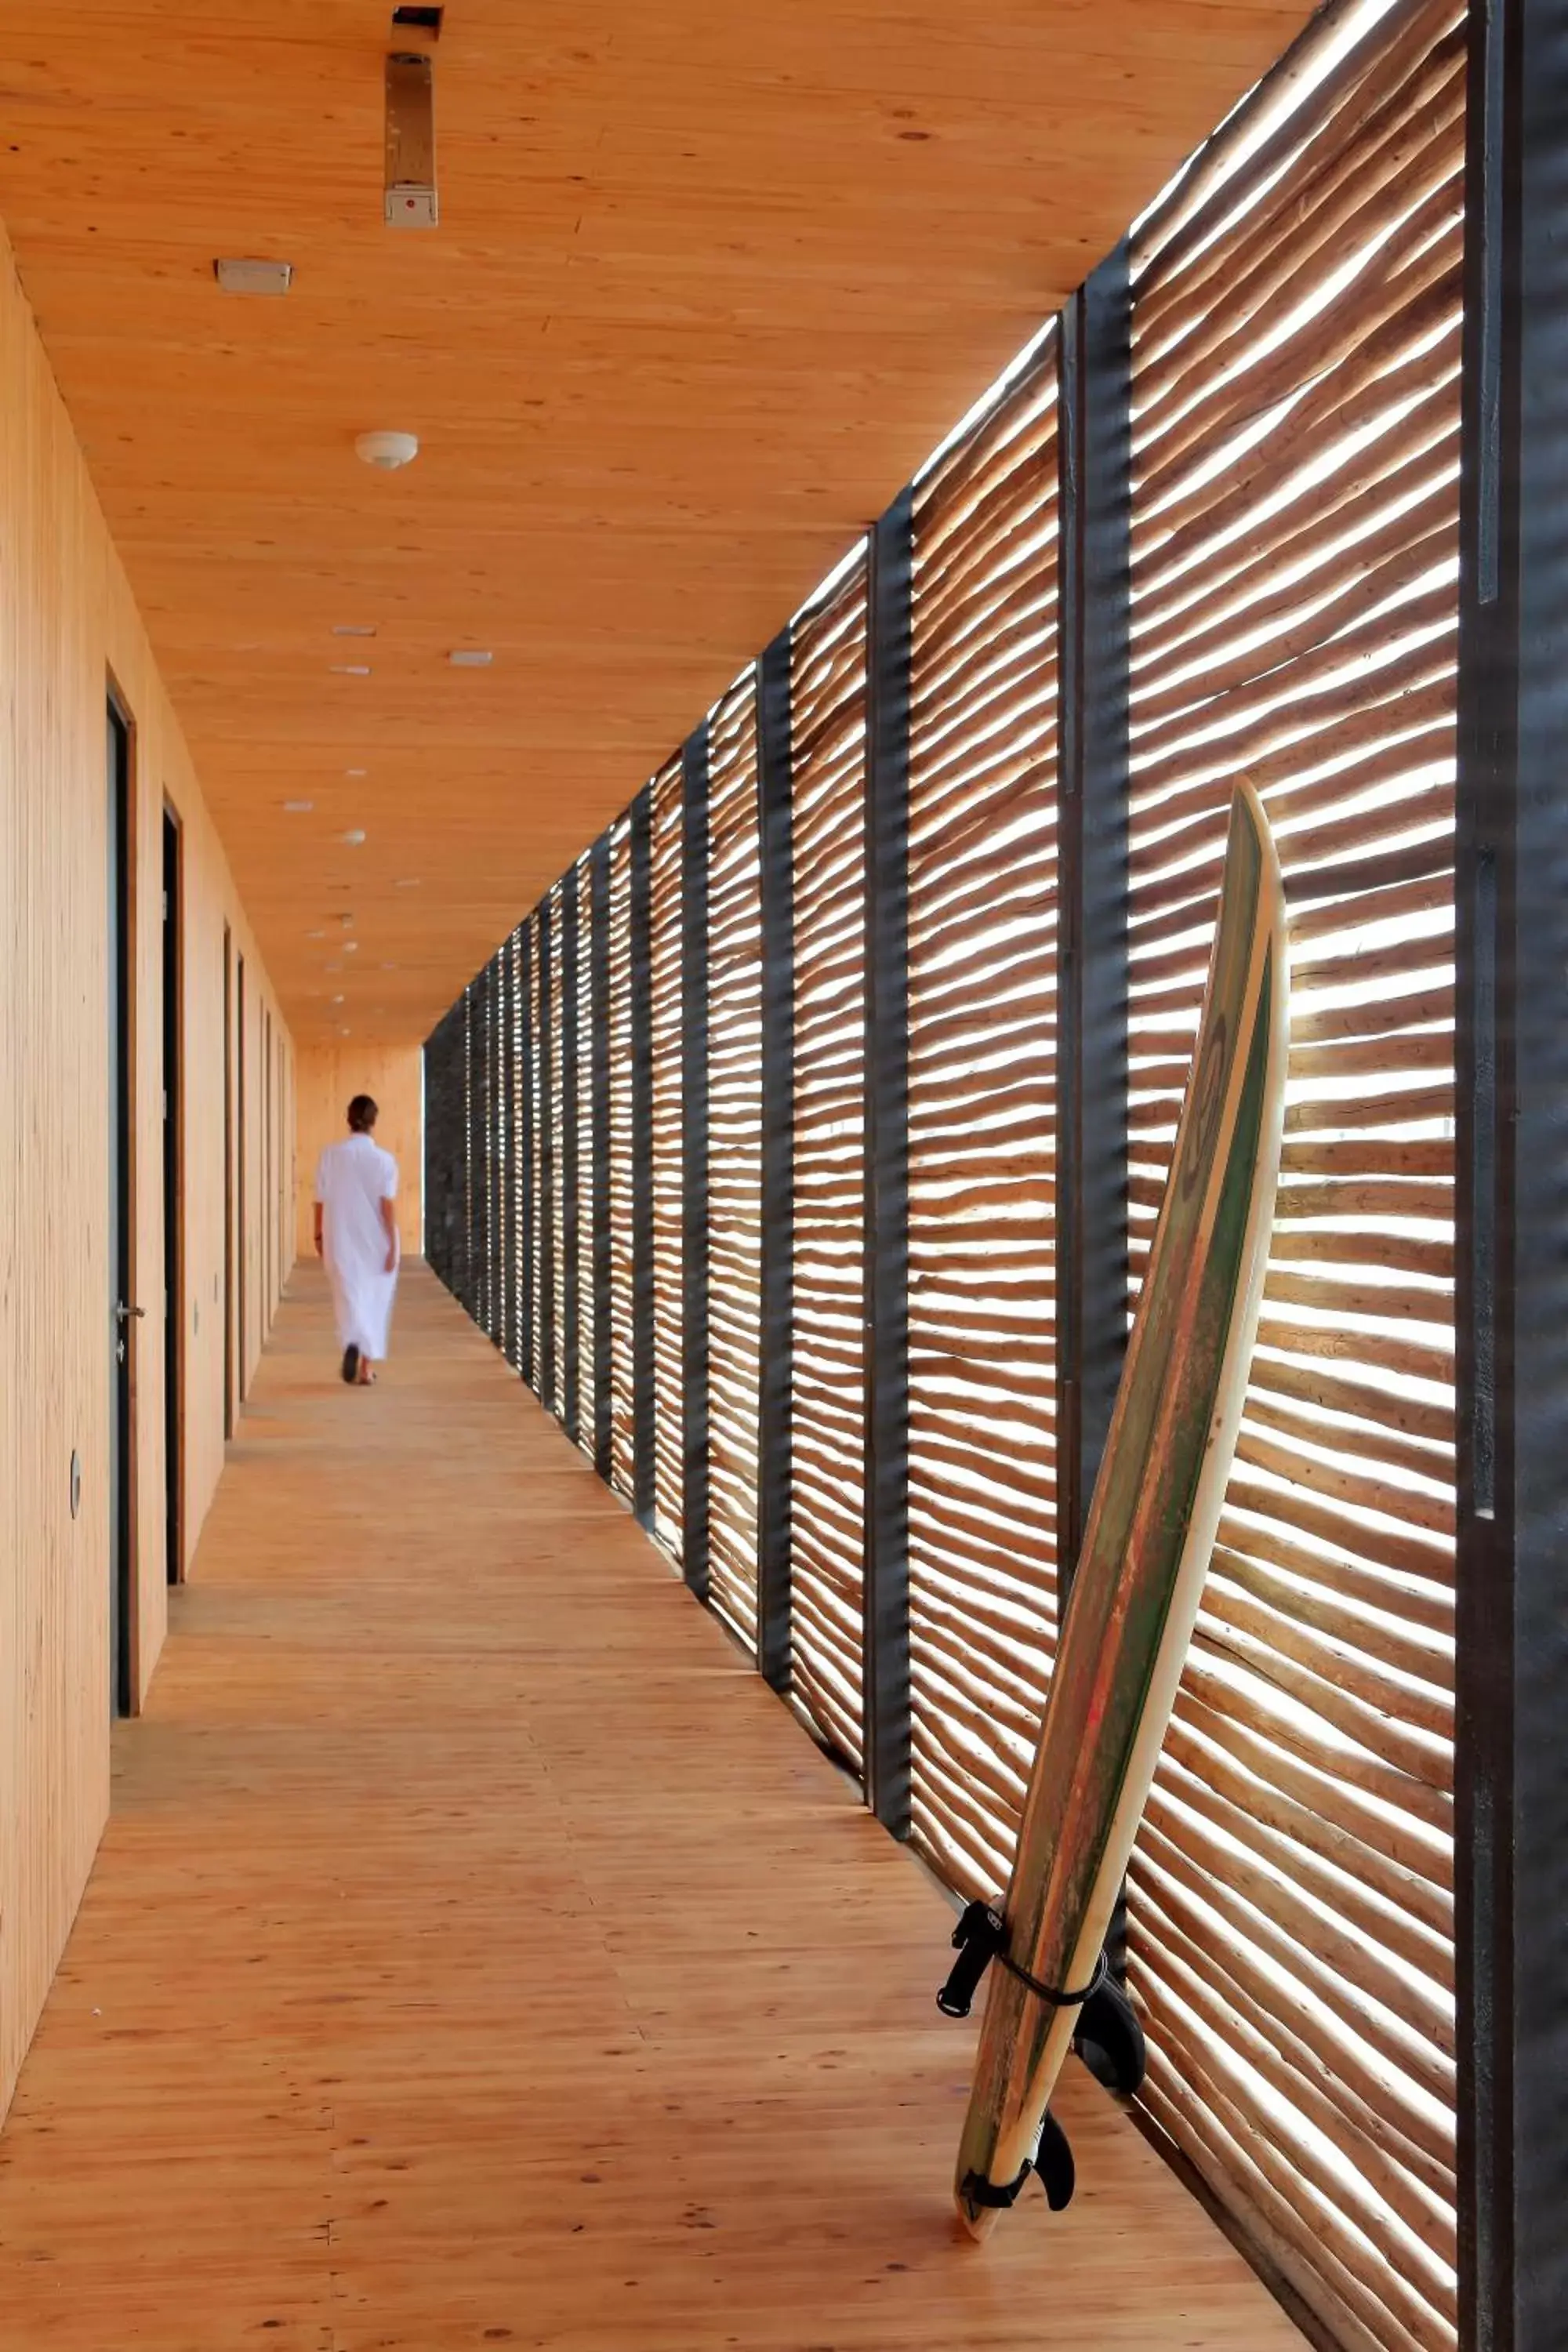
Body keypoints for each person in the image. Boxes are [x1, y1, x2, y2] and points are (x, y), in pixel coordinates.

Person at [314, 1094, 400, 1385]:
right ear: (374, 1122)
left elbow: (320, 1199)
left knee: (348, 1294)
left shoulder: (330, 1155)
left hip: (340, 1233)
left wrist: (318, 1234)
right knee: (374, 1298)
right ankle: (365, 1366)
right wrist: (393, 1243)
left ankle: (352, 1338)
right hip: (375, 1237)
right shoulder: (385, 1160)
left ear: (348, 1119)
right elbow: (387, 1205)